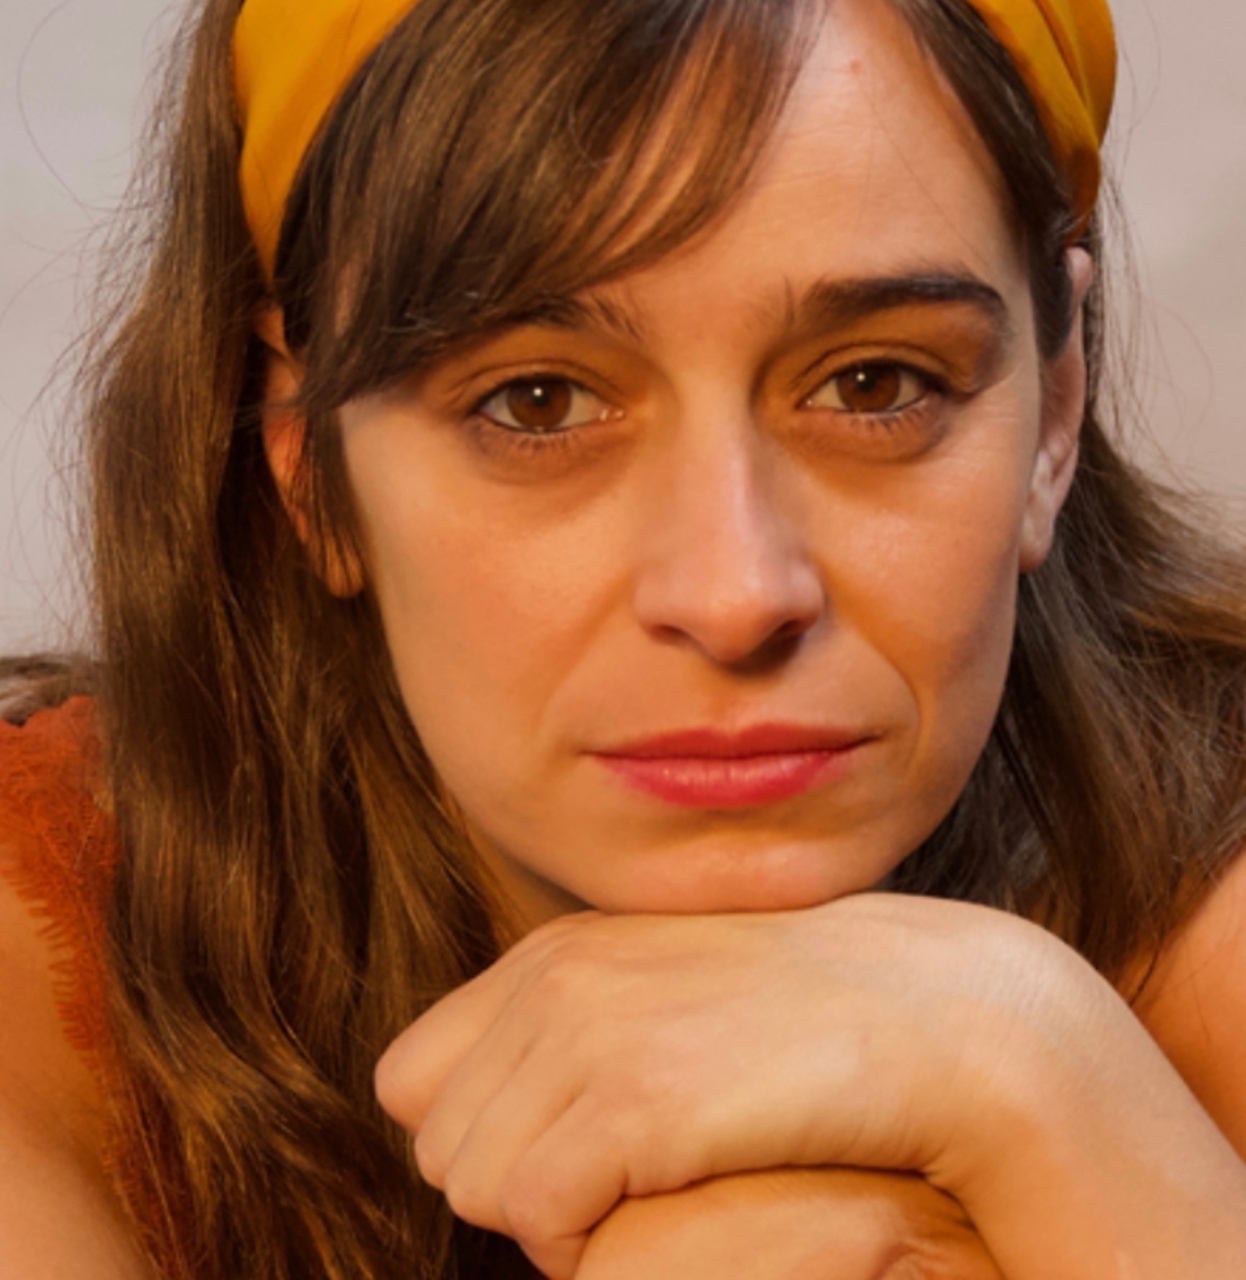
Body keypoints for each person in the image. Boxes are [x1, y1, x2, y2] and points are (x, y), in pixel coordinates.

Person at [2, 0, 1245, 1276]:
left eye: (873, 384)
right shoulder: (35, 971)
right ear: (304, 459)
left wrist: (1034, 1076)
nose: (734, 593)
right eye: (537, 403)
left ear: (1054, 413)